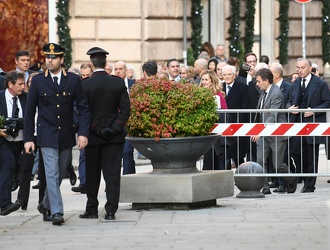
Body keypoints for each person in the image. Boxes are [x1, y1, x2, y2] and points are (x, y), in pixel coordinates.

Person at [24, 43, 90, 225]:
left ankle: (45, 204)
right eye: (47, 57)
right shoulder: (37, 81)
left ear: (61, 60)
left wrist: (83, 133)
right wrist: (29, 138)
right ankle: (57, 212)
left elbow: (83, 109)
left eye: (53, 57)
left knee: (60, 173)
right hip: (46, 136)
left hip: (66, 135)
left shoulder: (73, 80)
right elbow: (29, 113)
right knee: (52, 174)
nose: (49, 60)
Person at [79, 47, 130, 220]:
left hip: (93, 136)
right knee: (112, 174)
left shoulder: (84, 84)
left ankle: (92, 209)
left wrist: (95, 128)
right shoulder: (117, 82)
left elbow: (82, 111)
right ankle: (110, 211)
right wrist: (114, 128)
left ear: (92, 64)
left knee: (92, 174)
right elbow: (125, 110)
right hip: (114, 137)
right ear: (106, 63)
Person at [287, 58, 330, 193]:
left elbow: (327, 102)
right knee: (295, 151)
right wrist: (289, 108)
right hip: (297, 124)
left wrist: (314, 111)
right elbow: (289, 100)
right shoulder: (295, 83)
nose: (299, 70)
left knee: (311, 155)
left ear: (310, 68)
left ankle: (310, 185)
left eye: (302, 67)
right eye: (298, 67)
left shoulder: (320, 83)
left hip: (313, 125)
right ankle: (301, 176)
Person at [251, 68, 287, 195]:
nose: (257, 84)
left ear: (266, 81)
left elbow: (272, 115)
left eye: (259, 81)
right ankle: (265, 187)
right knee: (260, 161)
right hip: (263, 133)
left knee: (278, 165)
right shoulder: (264, 91)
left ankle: (292, 179)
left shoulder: (276, 93)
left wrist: (260, 131)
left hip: (275, 134)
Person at [0, 71, 26, 216]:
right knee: (8, 164)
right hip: (3, 140)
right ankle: (5, 204)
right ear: (10, 84)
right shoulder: (0, 97)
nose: (23, 87)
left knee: (12, 168)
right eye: (20, 84)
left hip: (20, 141)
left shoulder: (26, 98)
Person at [71, 63, 93, 194]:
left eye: (87, 75)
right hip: (82, 125)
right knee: (83, 154)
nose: (85, 77)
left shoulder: (95, 86)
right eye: (83, 75)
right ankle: (83, 182)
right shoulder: (77, 87)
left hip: (95, 125)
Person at [222, 65, 249, 169]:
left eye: (229, 74)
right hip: (224, 127)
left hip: (238, 126)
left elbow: (244, 107)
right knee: (226, 156)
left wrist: (237, 125)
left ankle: (242, 179)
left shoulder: (243, 87)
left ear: (234, 75)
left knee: (239, 156)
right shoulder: (219, 87)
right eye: (225, 75)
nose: (227, 77)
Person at [200, 69, 228, 170]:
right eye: (202, 79)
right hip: (207, 133)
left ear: (212, 81)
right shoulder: (200, 93)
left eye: (206, 80)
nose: (203, 82)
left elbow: (221, 113)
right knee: (208, 159)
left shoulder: (217, 95)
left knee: (217, 159)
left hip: (217, 133)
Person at [114, 61, 136, 175]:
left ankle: (129, 180)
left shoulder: (134, 84)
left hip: (129, 124)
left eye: (120, 69)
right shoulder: (110, 84)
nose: (118, 71)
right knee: (114, 156)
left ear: (126, 70)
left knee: (127, 152)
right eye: (116, 69)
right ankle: (113, 183)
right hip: (115, 124)